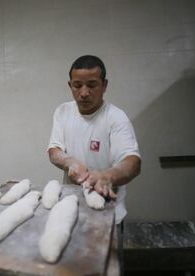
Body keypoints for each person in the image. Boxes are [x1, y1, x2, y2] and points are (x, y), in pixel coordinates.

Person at [47, 55, 141, 225]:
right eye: (77, 86)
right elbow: (54, 150)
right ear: (70, 85)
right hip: (71, 207)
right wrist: (69, 162)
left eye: (92, 85)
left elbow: (132, 163)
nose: (84, 93)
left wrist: (107, 176)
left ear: (104, 85)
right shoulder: (63, 112)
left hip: (108, 211)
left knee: (107, 252)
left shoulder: (115, 118)